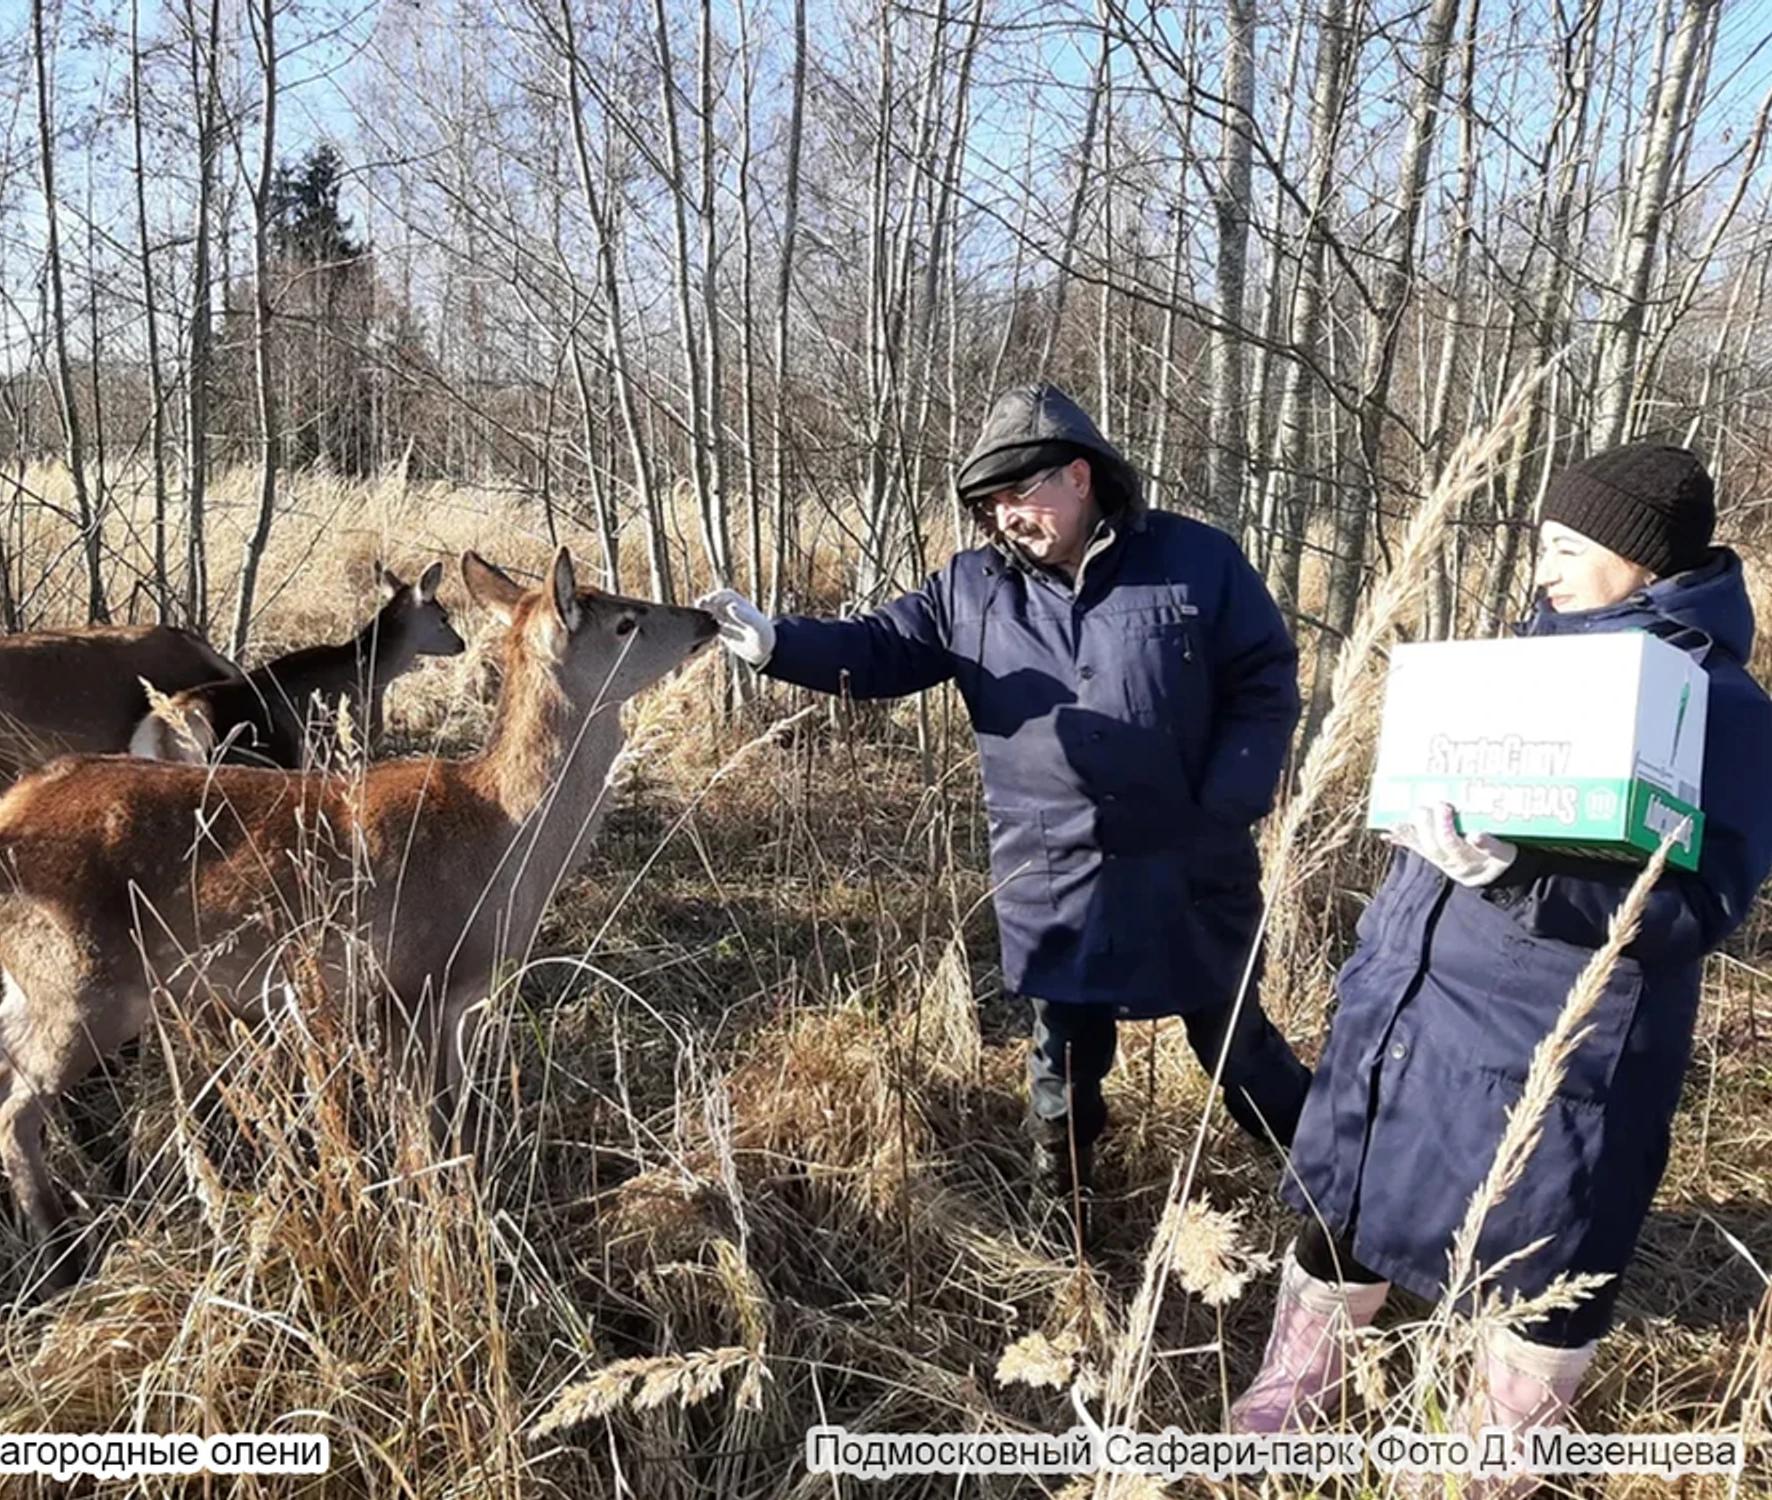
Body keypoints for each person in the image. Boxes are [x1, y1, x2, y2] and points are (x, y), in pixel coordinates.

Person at [1231, 443, 1772, 1473]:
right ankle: (1293, 1391)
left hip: (1550, 1036)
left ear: (1643, 561)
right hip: (1410, 997)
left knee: (1542, 1248)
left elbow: (1696, 910)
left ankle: (1494, 1456)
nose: (1543, 568)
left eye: (1569, 546)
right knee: (1353, 1189)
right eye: (1540, 544)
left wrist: (1516, 875)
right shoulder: (1519, 657)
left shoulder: (1717, 705)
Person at [698, 382, 1313, 1208]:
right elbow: (882, 648)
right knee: (1061, 1066)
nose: (1006, 517)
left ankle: (1334, 1195)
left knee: (1239, 1048)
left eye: (1020, 494)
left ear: (1081, 476)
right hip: (1054, 874)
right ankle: (1062, 1216)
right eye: (991, 504)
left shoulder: (1196, 561)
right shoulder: (973, 589)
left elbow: (1264, 679)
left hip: (1189, 863)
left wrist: (1232, 795)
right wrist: (779, 643)